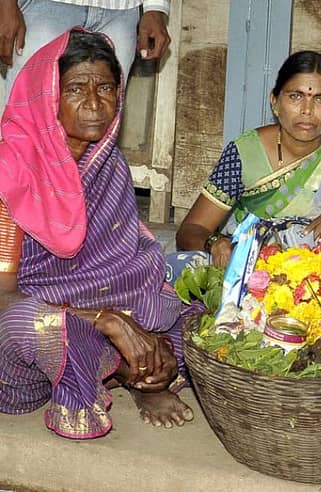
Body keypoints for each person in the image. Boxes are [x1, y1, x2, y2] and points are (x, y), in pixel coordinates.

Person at [0, 29, 195, 438]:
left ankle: (131, 370)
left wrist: (123, 320)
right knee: (25, 325)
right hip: (34, 321)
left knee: (190, 313)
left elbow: (127, 263)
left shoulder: (110, 163)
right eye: (75, 88)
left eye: (106, 87)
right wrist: (104, 321)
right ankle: (124, 367)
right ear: (48, 95)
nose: (94, 103)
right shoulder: (9, 172)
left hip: (103, 311)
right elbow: (3, 298)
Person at [175, 50, 321, 271]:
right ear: (275, 102)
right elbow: (191, 229)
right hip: (253, 272)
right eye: (295, 96)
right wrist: (215, 244)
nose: (307, 110)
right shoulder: (246, 153)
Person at [0, 0, 170, 107]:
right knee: (21, 116)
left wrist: (155, 7)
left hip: (122, 11)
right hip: (47, 7)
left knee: (99, 124)